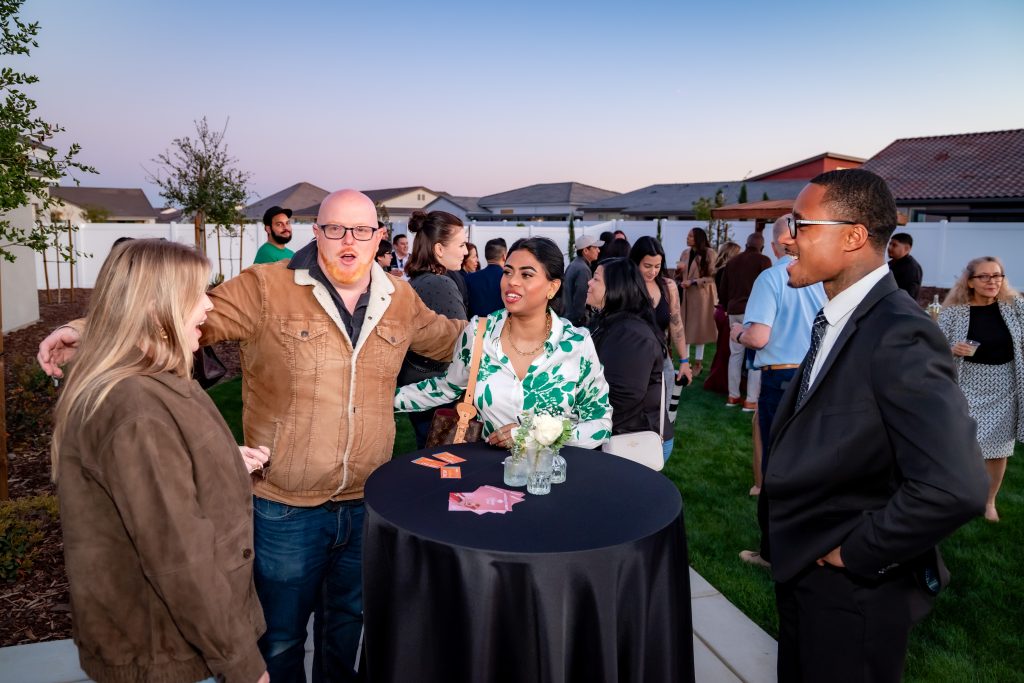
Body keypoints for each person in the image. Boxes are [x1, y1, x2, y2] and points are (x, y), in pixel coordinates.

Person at [38, 189, 465, 683]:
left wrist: (521, 327)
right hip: (285, 509)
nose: (349, 240)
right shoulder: (265, 287)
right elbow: (171, 314)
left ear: (378, 237)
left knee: (346, 628)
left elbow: (449, 337)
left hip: (364, 502)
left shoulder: (400, 298)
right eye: (335, 229)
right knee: (279, 639)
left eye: (362, 231)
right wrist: (86, 328)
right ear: (316, 232)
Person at [767, 169, 987, 682]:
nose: (786, 237)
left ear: (853, 237)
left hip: (852, 594)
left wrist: (856, 553)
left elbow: (957, 486)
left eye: (800, 224)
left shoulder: (899, 333)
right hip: (808, 573)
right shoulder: (843, 316)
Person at [51, 239, 268, 683]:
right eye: (197, 294)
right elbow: (179, 556)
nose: (209, 306)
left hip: (180, 641)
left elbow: (166, 473)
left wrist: (226, 460)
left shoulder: (158, 376)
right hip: (171, 653)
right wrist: (244, 666)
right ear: (155, 307)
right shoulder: (137, 407)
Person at [395, 236, 612, 449]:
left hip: (551, 477)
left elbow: (600, 424)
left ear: (552, 287)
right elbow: (446, 387)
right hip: (488, 474)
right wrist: (380, 399)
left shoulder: (576, 344)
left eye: (526, 274)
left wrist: (537, 435)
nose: (512, 281)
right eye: (507, 271)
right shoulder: (480, 333)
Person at [731, 215, 826, 566]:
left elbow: (759, 337)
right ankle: (812, 544)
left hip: (783, 378)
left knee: (777, 466)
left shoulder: (772, 277)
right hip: (818, 374)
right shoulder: (825, 277)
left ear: (776, 246)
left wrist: (738, 332)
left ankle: (773, 551)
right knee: (810, 462)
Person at [938, 256, 1024, 522]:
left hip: (1005, 386)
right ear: (970, 281)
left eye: (997, 275)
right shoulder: (953, 312)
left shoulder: (1015, 307)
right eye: (984, 276)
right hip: (965, 386)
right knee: (961, 446)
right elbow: (933, 347)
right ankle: (956, 497)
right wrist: (952, 349)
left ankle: (988, 502)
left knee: (998, 450)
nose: (992, 281)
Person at [400, 210, 470, 448]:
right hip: (437, 391)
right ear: (439, 249)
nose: (466, 251)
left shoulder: (420, 280)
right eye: (461, 244)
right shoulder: (440, 283)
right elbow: (464, 345)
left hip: (420, 387)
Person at [588, 258, 672, 452]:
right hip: (619, 431)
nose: (589, 283)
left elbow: (622, 396)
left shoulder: (631, 333)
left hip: (632, 439)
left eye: (596, 279)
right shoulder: (609, 322)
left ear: (616, 288)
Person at [628, 237, 693, 461]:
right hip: (631, 365)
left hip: (662, 363)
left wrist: (684, 361)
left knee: (661, 418)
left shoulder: (668, 286)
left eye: (657, 266)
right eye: (647, 266)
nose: (652, 271)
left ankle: (654, 460)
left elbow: (676, 324)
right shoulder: (626, 286)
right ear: (635, 262)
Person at [719, 233, 772, 410]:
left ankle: (732, 396)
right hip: (753, 312)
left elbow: (723, 289)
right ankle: (750, 400)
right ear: (762, 247)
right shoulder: (764, 261)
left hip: (734, 310)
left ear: (746, 244)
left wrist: (727, 306)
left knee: (735, 355)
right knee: (755, 356)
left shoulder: (733, 261)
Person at [675, 227, 717, 375]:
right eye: (688, 235)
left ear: (698, 238)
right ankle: (685, 362)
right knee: (685, 328)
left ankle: (698, 363)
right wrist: (679, 272)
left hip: (701, 297)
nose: (687, 238)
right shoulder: (685, 253)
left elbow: (712, 277)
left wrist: (693, 282)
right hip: (686, 297)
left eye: (691, 236)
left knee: (700, 330)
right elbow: (680, 275)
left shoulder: (709, 253)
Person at [704, 241, 741, 394]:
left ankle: (721, 379)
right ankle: (720, 382)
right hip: (725, 312)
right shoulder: (727, 270)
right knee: (726, 351)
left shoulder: (720, 270)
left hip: (720, 310)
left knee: (723, 348)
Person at [563, 234, 603, 326]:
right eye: (595, 247)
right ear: (585, 250)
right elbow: (581, 298)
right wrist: (582, 321)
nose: (598, 250)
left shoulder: (575, 264)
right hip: (576, 321)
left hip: (569, 317)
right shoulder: (583, 269)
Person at [465, 237, 507, 317]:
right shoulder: (507, 279)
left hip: (474, 327)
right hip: (501, 327)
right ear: (504, 256)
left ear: (486, 256)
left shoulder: (469, 278)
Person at [887, 232, 923, 301]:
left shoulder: (911, 268)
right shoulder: (891, 263)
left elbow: (908, 296)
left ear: (907, 248)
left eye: (894, 245)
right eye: (890, 244)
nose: (889, 247)